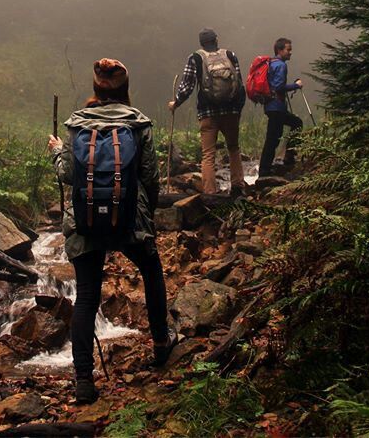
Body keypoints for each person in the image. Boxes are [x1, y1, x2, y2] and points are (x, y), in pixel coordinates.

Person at [47, 58, 176, 405]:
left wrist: (58, 150)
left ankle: (84, 380)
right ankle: (161, 343)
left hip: (85, 222)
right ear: (124, 89)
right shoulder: (138, 124)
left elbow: (68, 176)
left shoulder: (76, 125)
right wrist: (148, 215)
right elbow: (148, 176)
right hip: (130, 218)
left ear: (96, 89)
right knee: (151, 271)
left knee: (87, 295)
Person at [168, 28, 246, 196]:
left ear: (201, 43)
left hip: (207, 113)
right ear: (216, 40)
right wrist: (237, 109)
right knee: (233, 148)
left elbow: (187, 86)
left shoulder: (196, 58)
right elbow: (239, 83)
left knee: (208, 154)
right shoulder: (230, 55)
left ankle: (210, 193)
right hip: (231, 111)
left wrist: (176, 102)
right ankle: (238, 186)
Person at [258, 37, 303, 178]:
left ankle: (267, 168)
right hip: (276, 107)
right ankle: (273, 166)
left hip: (271, 107)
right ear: (279, 50)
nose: (290, 53)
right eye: (288, 50)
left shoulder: (271, 63)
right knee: (293, 125)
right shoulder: (281, 65)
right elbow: (278, 87)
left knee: (274, 137)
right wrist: (296, 85)